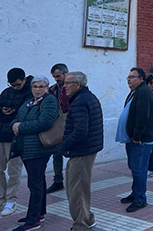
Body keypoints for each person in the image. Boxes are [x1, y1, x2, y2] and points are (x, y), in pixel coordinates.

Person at [11, 75, 59, 231]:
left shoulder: (49, 100)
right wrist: (15, 125)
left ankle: (33, 221)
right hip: (26, 148)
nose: (37, 89)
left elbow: (45, 121)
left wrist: (21, 127)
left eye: (41, 86)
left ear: (46, 88)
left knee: (35, 184)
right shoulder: (28, 102)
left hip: (39, 149)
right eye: (34, 86)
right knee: (38, 182)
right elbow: (17, 118)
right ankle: (39, 213)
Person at [62, 71, 103, 231]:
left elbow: (80, 131)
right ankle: (87, 218)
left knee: (76, 191)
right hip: (86, 149)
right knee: (79, 188)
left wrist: (64, 145)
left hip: (81, 151)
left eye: (67, 83)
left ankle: (80, 226)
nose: (64, 86)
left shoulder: (80, 101)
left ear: (77, 84)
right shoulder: (87, 97)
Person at [116, 67, 153, 213]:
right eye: (128, 77)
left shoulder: (144, 93)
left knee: (139, 169)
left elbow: (142, 116)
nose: (129, 79)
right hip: (132, 138)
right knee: (134, 167)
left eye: (132, 77)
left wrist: (137, 136)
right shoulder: (135, 92)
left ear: (141, 79)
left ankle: (140, 199)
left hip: (140, 140)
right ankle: (135, 193)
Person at [0, 68, 32, 217]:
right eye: (12, 85)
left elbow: (27, 112)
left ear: (24, 79)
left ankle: (11, 200)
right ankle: (0, 198)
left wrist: (14, 112)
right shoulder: (7, 92)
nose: (15, 88)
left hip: (16, 137)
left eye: (17, 85)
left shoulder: (31, 92)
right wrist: (2, 111)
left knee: (14, 171)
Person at [46, 63, 69, 194]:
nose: (56, 79)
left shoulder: (74, 87)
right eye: (54, 76)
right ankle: (58, 180)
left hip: (72, 124)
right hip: (58, 125)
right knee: (57, 153)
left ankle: (75, 180)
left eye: (58, 76)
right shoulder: (53, 89)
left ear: (66, 73)